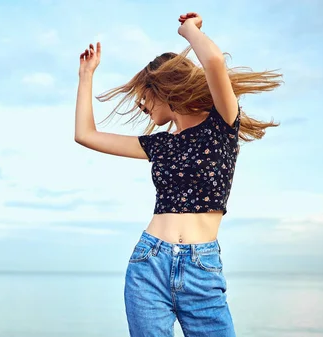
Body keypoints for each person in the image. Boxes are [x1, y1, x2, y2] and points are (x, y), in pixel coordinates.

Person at [73, 12, 282, 337]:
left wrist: (188, 31)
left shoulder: (223, 125)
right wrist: (86, 76)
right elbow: (86, 135)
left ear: (163, 89)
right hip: (148, 264)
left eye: (145, 93)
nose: (141, 103)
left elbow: (212, 60)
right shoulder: (159, 145)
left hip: (202, 269)